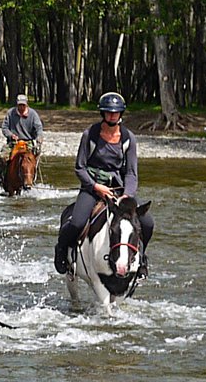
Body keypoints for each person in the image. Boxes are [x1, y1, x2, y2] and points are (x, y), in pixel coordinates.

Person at [54, 91, 154, 274]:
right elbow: (80, 168)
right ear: (102, 113)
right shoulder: (90, 135)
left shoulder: (128, 139)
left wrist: (127, 195)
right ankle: (61, 249)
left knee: (147, 223)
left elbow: (131, 173)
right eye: (108, 112)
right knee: (76, 222)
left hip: (119, 190)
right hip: (93, 188)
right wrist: (95, 187)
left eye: (115, 112)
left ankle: (142, 257)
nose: (112, 115)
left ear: (121, 114)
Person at [0, 93, 43, 190]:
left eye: (23, 105)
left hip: (28, 142)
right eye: (19, 105)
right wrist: (10, 135)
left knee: (33, 159)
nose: (21, 107)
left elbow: (39, 128)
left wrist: (39, 137)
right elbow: (4, 128)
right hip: (13, 142)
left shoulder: (33, 114)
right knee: (2, 158)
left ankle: (32, 178)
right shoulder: (10, 113)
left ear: (27, 104)